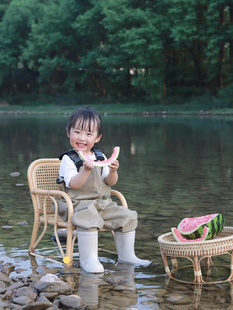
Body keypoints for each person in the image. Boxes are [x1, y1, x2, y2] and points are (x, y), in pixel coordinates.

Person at [56, 106, 151, 273]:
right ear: (68, 133)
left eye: (88, 134)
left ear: (97, 137)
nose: (81, 138)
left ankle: (127, 255)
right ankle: (89, 259)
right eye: (77, 132)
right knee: (89, 217)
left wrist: (113, 171)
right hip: (77, 205)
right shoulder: (68, 159)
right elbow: (74, 184)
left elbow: (110, 182)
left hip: (103, 204)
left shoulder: (100, 157)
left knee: (126, 216)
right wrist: (85, 170)